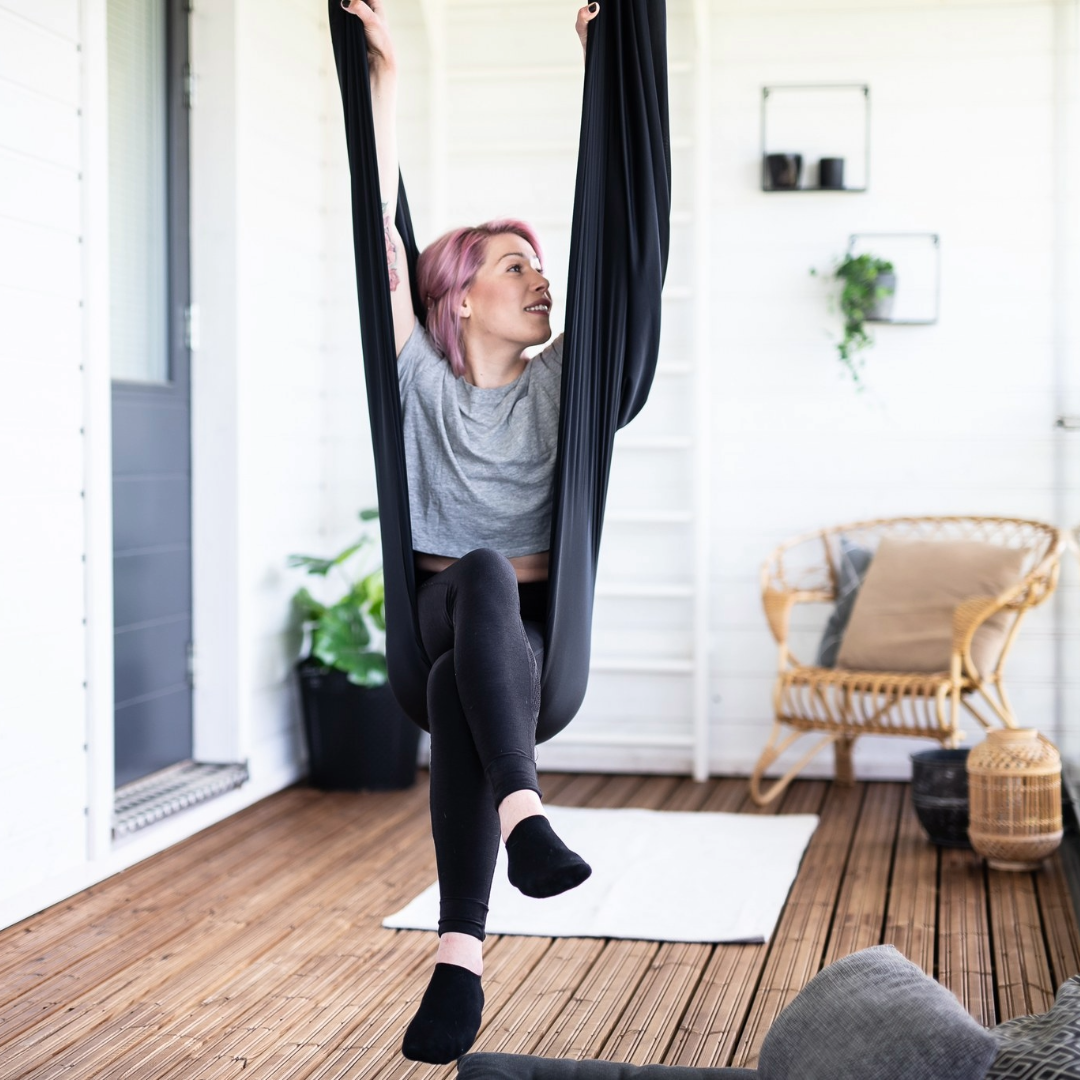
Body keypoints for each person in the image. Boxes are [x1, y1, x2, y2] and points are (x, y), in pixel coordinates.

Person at [340, 0, 601, 1065]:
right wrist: (384, 84)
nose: (540, 277)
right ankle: (524, 816)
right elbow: (381, 224)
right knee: (482, 569)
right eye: (513, 265)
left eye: (538, 267)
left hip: (523, 646)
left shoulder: (564, 389)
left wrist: (610, 80)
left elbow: (615, 240)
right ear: (459, 299)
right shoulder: (419, 376)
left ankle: (460, 954)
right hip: (447, 595)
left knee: (455, 690)